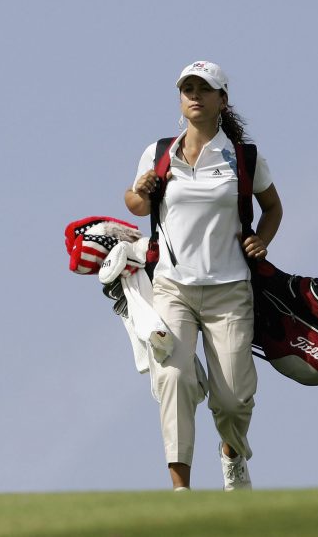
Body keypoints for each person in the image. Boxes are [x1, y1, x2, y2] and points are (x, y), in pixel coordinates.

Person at [124, 61, 282, 492]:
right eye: (187, 88)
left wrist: (261, 241)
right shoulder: (160, 152)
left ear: (222, 100)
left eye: (204, 89)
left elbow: (273, 208)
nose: (194, 95)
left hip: (229, 291)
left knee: (231, 400)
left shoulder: (242, 156)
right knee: (173, 378)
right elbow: (136, 207)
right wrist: (141, 189)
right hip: (172, 288)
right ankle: (181, 491)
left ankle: (232, 453)